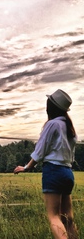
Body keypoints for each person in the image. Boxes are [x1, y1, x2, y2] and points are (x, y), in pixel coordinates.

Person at [14, 89, 78, 239]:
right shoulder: (69, 127)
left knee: (54, 217)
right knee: (68, 218)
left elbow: (40, 150)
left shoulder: (52, 124)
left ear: (51, 108)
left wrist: (27, 167)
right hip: (68, 172)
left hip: (54, 172)